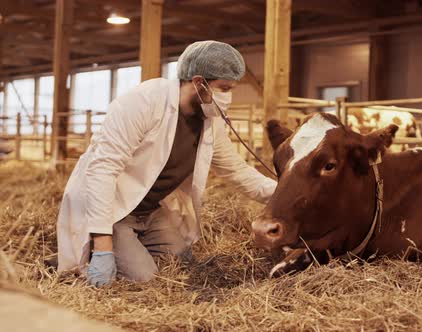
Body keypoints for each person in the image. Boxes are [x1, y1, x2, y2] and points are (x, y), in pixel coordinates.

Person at [56, 41, 276, 286]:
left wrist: (287, 194)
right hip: (115, 210)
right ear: (198, 82)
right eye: (223, 88)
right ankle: (85, 255)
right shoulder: (143, 102)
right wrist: (103, 248)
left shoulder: (210, 120)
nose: (228, 97)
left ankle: (126, 249)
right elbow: (103, 170)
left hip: (150, 210)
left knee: (181, 265)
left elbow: (237, 171)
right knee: (145, 279)